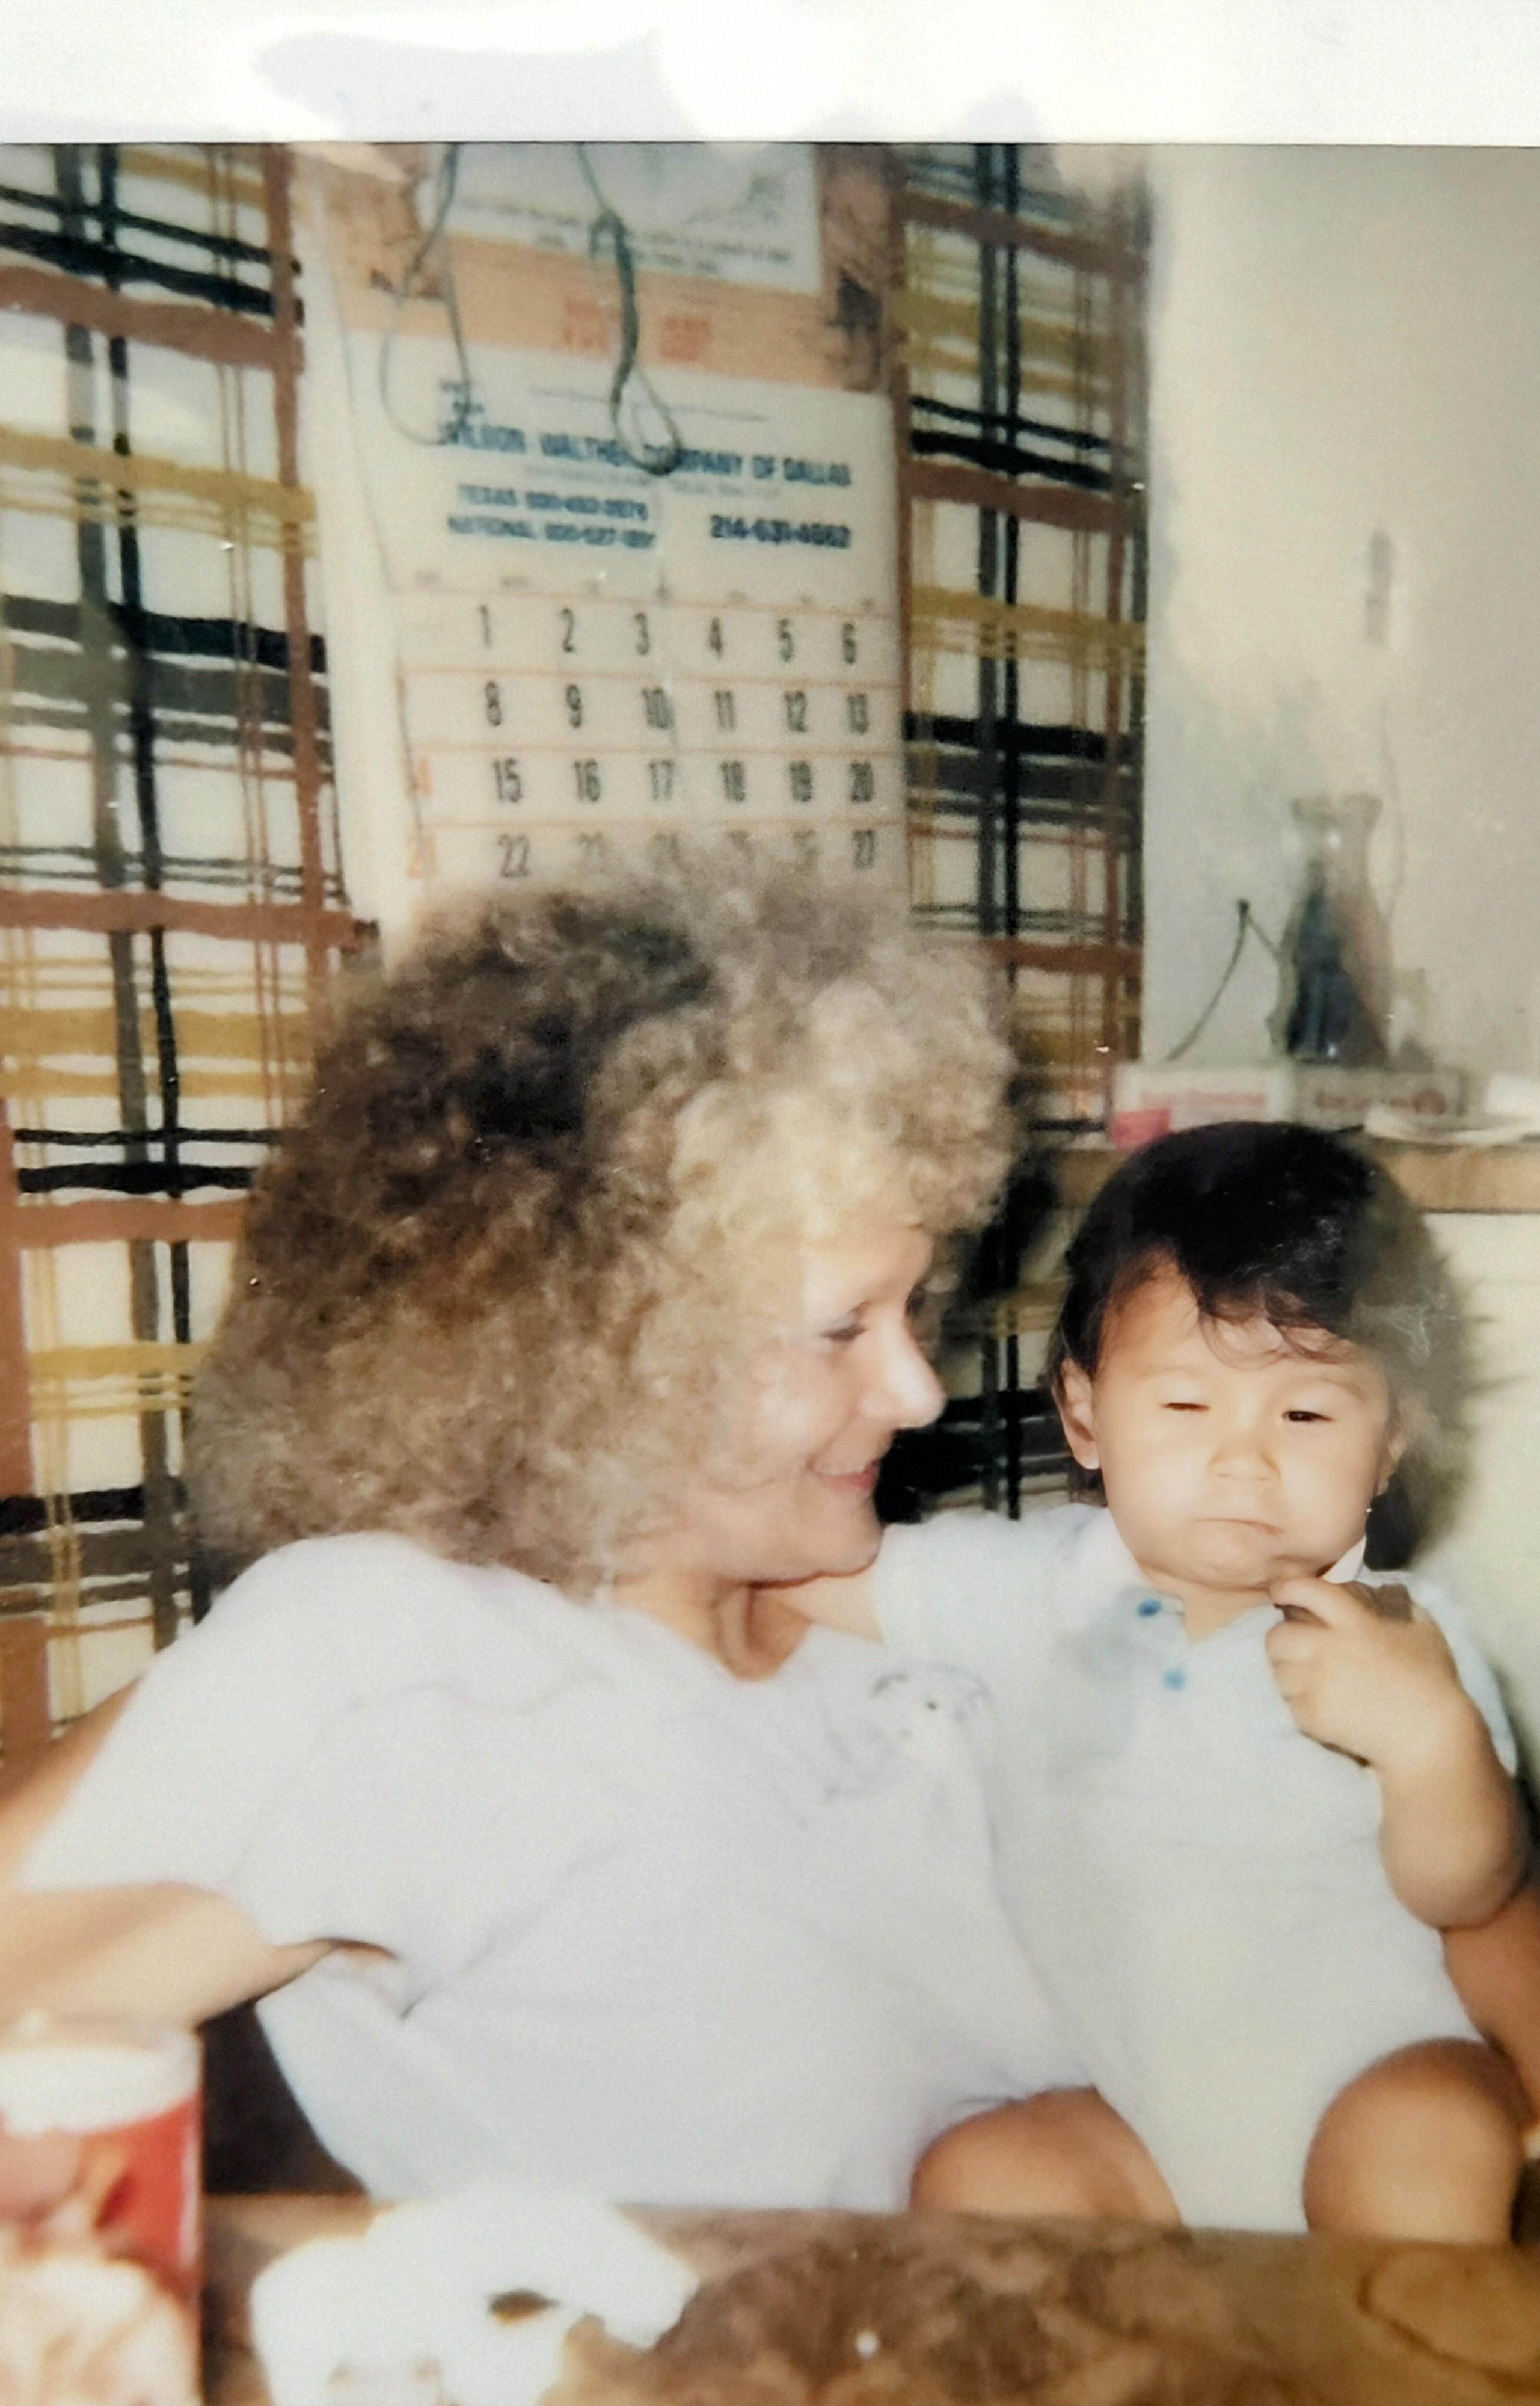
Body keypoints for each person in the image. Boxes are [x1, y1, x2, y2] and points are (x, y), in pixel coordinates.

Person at [0, 864, 1167, 2215]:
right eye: (842, 1326)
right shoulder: (401, 1665)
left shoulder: (923, 1637)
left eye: (917, 1306)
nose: (920, 1390)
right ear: (595, 1345)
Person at [790, 1122, 1540, 2252]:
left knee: (1423, 2146)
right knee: (981, 2176)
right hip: (1145, 2129)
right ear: (1085, 1416)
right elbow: (804, 1577)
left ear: (1390, 1443)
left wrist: (1433, 1744)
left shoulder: (1399, 1637)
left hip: (1373, 2084)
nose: (1244, 1461)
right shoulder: (1017, 1588)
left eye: (1305, 1414)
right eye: (1186, 1408)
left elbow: (1469, 1888)